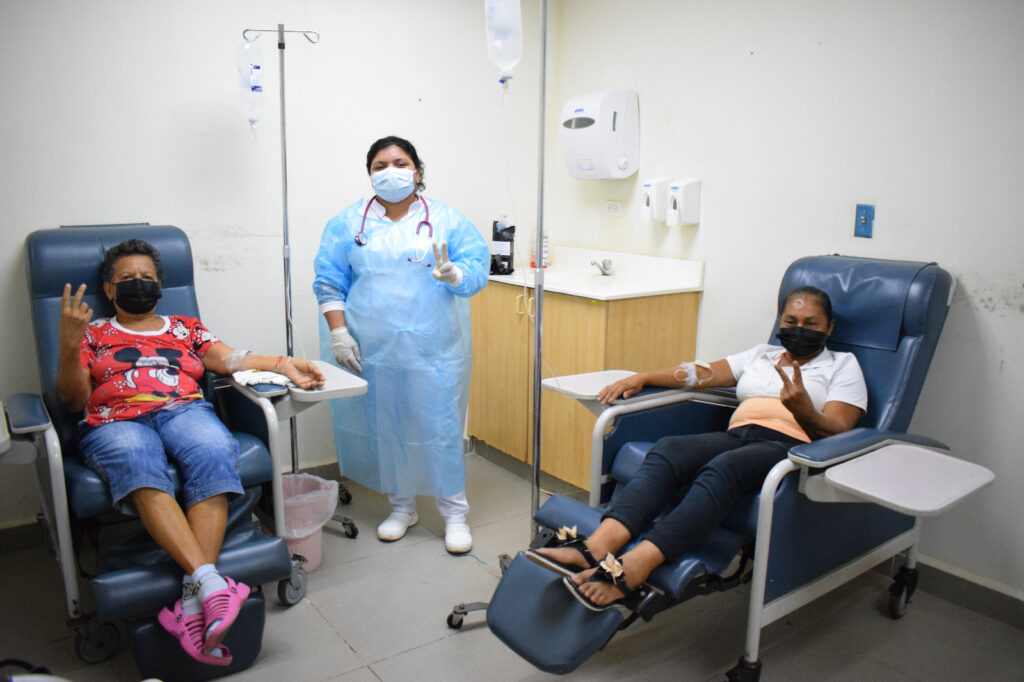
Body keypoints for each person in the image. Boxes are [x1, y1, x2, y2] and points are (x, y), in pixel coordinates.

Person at [56, 239, 325, 665]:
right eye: (127, 278)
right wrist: (70, 347)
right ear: (108, 289)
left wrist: (283, 362)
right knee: (136, 459)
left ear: (160, 285)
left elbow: (231, 359)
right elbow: (74, 401)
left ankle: (195, 597)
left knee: (214, 447)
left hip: (183, 409)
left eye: (147, 277)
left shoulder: (185, 328)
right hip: (115, 420)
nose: (139, 283)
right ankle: (210, 583)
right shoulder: (92, 333)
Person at [529, 286, 867, 611]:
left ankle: (637, 565)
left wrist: (804, 411)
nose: (799, 329)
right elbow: (701, 374)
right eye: (791, 321)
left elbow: (837, 431)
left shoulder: (842, 365)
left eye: (811, 323)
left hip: (790, 447)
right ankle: (595, 547)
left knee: (725, 467)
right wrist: (643, 378)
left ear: (829, 327)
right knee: (669, 450)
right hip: (739, 434)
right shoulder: (763, 355)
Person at [313, 136, 490, 554]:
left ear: (417, 170)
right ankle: (402, 507)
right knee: (387, 427)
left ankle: (454, 514)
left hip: (434, 349)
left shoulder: (446, 220)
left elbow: (476, 269)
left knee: (440, 428)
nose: (390, 171)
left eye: (400, 162)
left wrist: (455, 276)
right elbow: (329, 282)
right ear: (369, 173)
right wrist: (339, 334)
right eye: (380, 165)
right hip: (372, 349)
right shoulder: (347, 224)